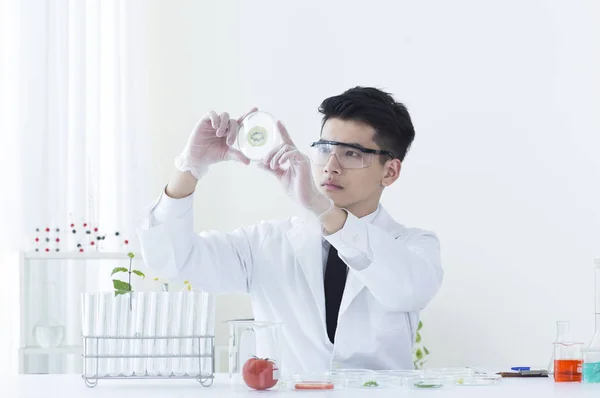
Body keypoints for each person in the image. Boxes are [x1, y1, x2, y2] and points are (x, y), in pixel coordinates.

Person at [136, 86, 443, 375]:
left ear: (390, 171)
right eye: (325, 148)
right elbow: (173, 260)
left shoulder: (414, 245)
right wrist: (189, 168)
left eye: (352, 153)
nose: (330, 166)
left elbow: (407, 291)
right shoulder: (267, 242)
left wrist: (324, 211)